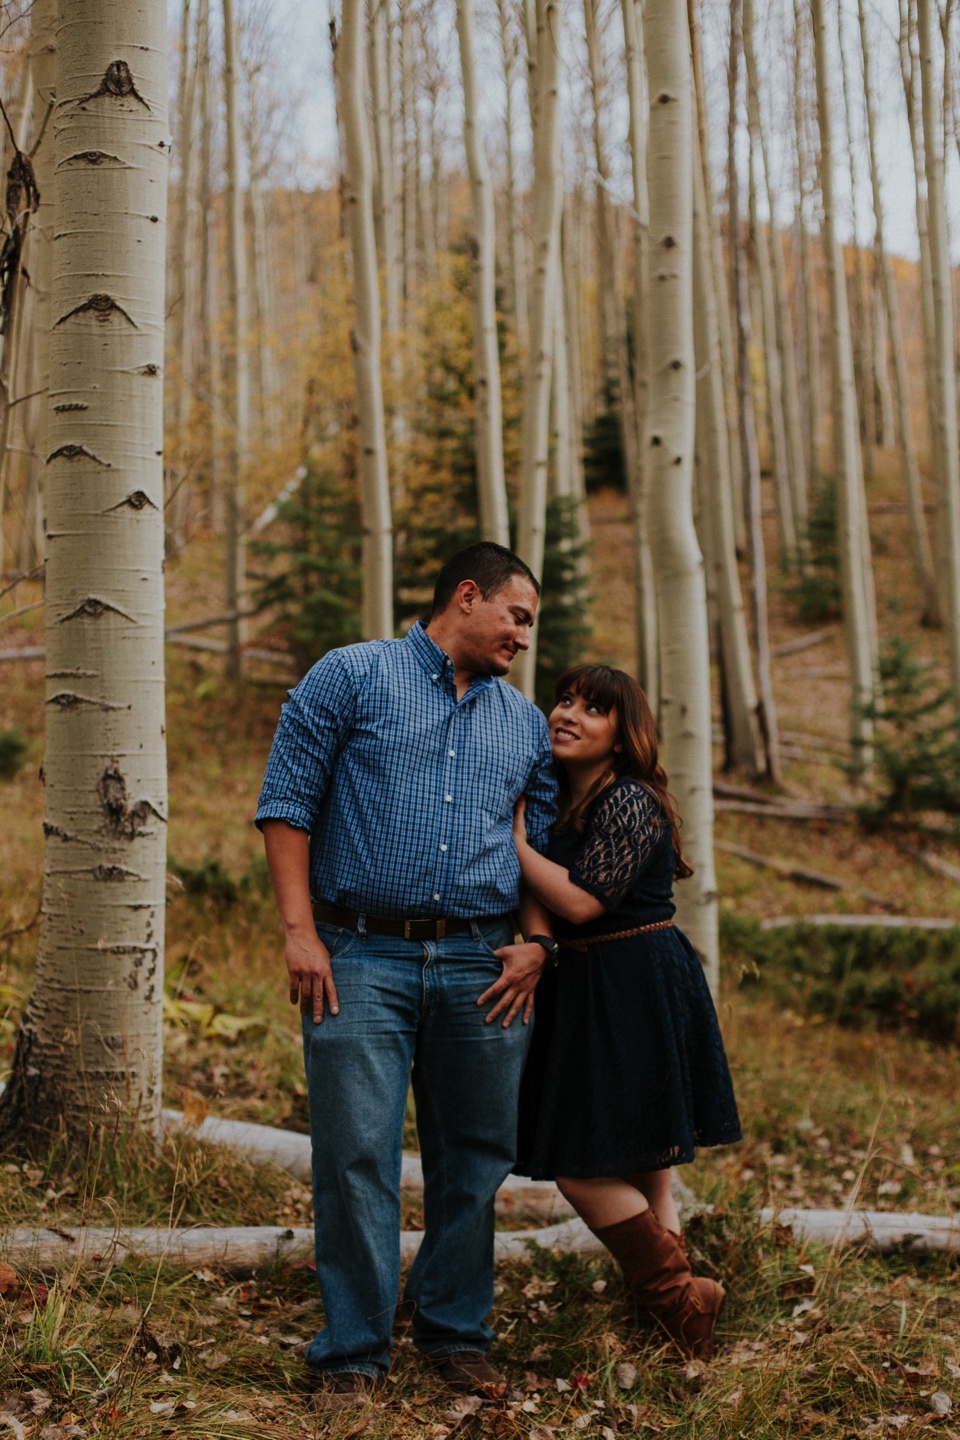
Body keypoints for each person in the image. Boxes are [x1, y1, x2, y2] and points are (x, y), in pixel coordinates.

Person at [255, 543, 559, 1410]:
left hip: (483, 962)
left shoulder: (524, 723)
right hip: (358, 955)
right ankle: (352, 1352)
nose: (524, 637)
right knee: (355, 1155)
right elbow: (286, 804)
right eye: (517, 615)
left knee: (476, 1156)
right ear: (467, 596)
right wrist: (300, 933)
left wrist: (538, 943)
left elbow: (533, 846)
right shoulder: (351, 676)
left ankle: (453, 1331)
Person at [512, 664, 742, 1359]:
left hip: (638, 981)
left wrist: (516, 847)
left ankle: (675, 1299)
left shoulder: (630, 801)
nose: (569, 713)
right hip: (587, 985)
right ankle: (677, 1311)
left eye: (593, 708)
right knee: (645, 1160)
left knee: (583, 1161)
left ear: (623, 735)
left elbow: (582, 900)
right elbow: (547, 907)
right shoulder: (558, 801)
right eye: (565, 700)